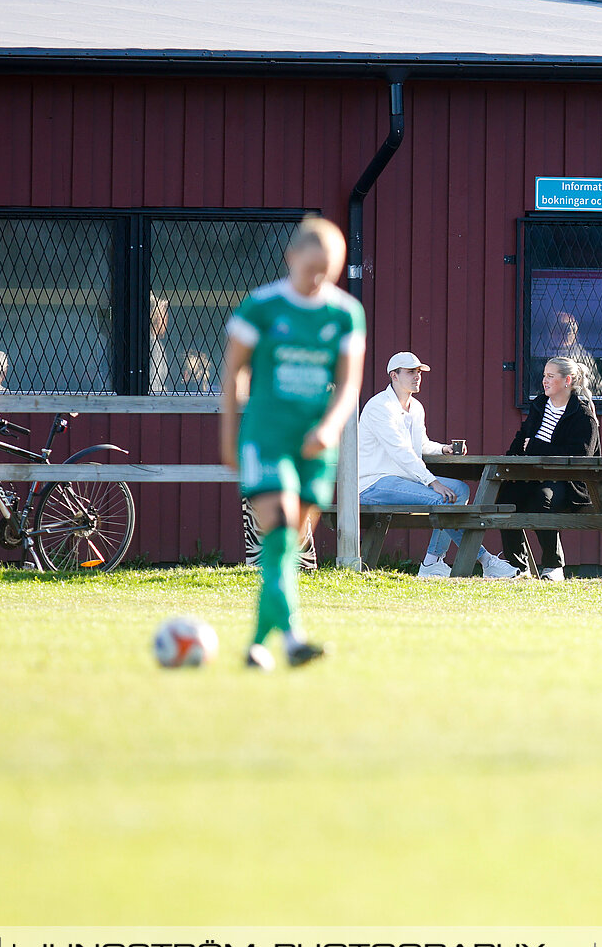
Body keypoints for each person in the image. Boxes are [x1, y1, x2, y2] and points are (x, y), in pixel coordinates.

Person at [220, 217, 365, 670]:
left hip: (315, 447)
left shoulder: (344, 313)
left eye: (329, 270)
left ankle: (258, 644)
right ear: (291, 258)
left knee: (290, 544)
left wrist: (329, 427)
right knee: (279, 529)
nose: (319, 279)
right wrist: (229, 436)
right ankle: (295, 638)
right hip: (266, 438)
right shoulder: (260, 307)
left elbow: (348, 384)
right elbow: (232, 374)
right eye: (312, 268)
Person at [358, 350, 515, 578]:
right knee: (442, 497)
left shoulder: (416, 407)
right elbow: (402, 453)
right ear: (394, 375)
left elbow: (419, 444)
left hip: (403, 480)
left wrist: (443, 448)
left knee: (460, 490)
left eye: (419, 371)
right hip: (372, 484)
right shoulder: (379, 407)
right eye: (411, 372)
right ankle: (486, 560)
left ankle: (432, 561)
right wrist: (432, 482)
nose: (417, 376)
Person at [496, 357, 601, 579]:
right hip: (530, 475)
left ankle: (553, 566)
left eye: (550, 376)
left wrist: (536, 447)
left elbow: (581, 456)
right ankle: (518, 567)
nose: (544, 381)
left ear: (567, 381)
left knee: (541, 500)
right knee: (505, 498)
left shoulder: (582, 415)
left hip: (566, 481)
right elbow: (522, 437)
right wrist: (510, 462)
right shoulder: (539, 405)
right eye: (544, 375)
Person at [542, 310, 602, 397]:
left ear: (575, 333)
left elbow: (595, 387)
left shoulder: (584, 357)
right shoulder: (541, 355)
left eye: (570, 328)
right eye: (559, 327)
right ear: (550, 332)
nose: (565, 332)